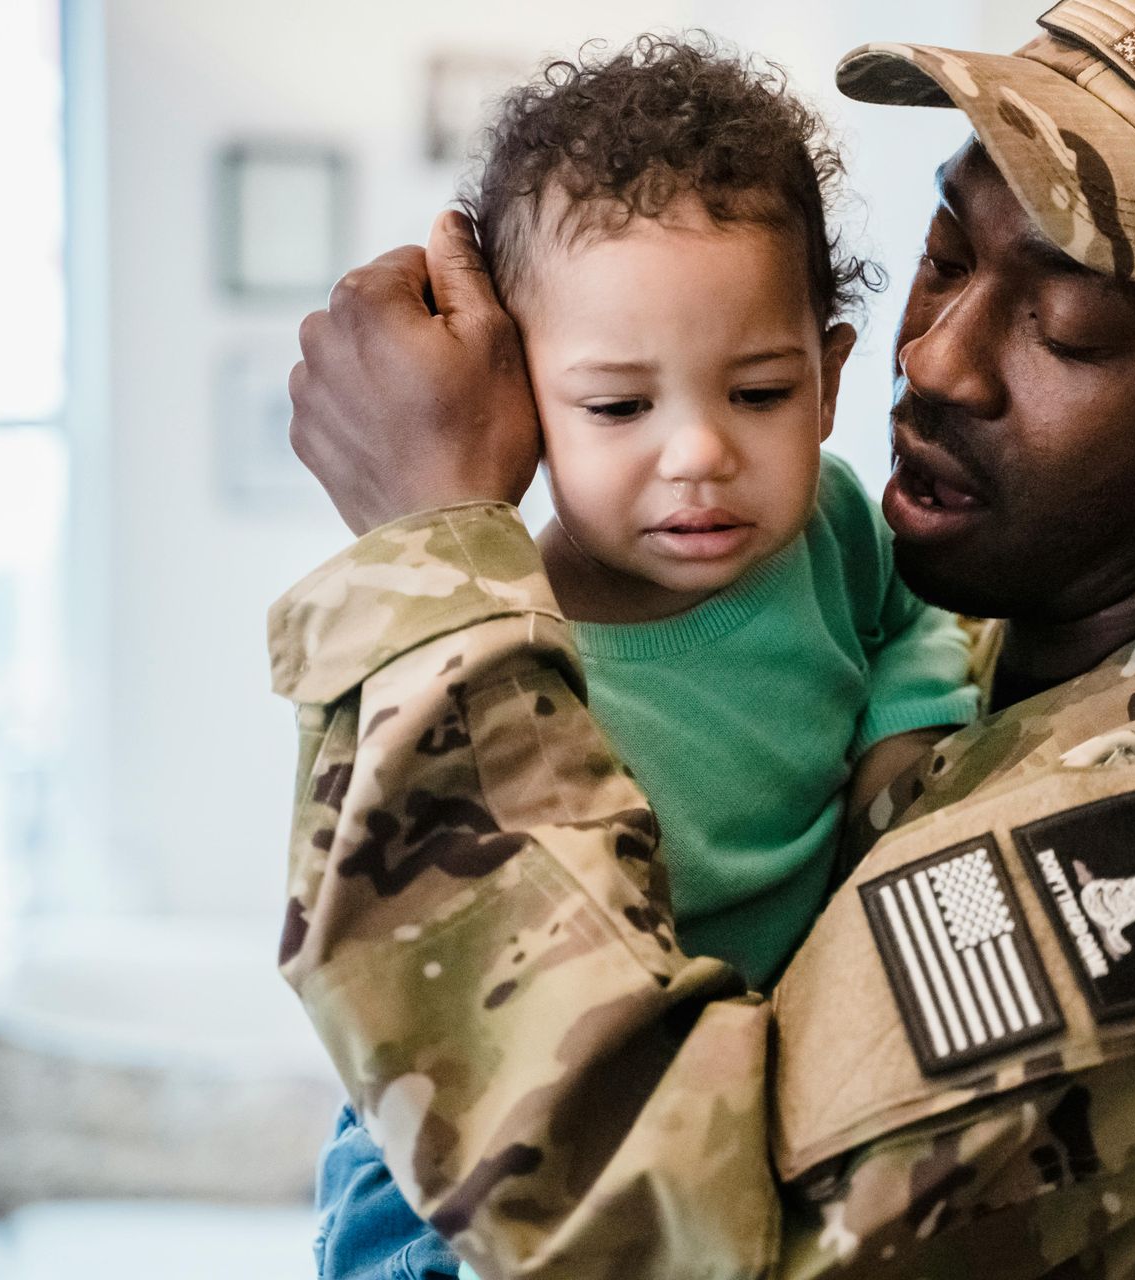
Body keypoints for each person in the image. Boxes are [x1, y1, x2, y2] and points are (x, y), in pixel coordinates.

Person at [275, 1, 1135, 1276]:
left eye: (1067, 328)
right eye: (946, 257)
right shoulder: (999, 634)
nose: (937, 363)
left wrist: (431, 558)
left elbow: (690, 1243)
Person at [304, 37, 982, 1278]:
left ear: (831, 377)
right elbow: (396, 901)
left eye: (759, 392)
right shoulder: (501, 638)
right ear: (519, 408)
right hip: (457, 1148)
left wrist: (908, 740)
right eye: (619, 407)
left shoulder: (833, 524)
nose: (699, 454)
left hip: (719, 1074)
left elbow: (907, 620)